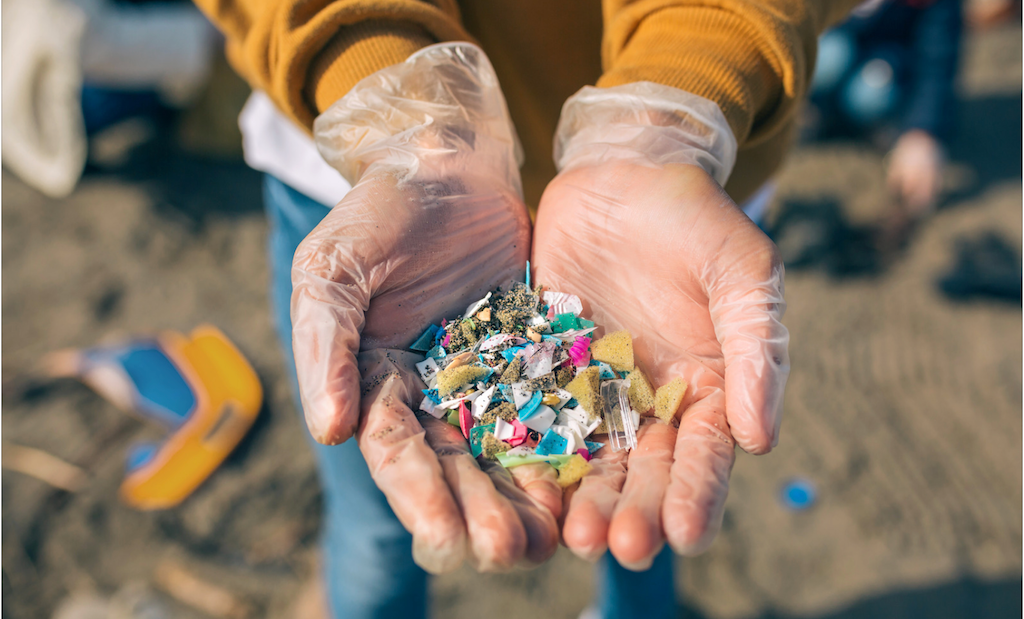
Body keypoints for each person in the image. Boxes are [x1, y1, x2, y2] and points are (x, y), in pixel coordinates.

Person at [191, 2, 861, 617]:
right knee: (374, 519)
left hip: (679, 180)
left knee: (641, 520)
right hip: (374, 172)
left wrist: (674, 108)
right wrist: (388, 102)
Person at [807, 0, 963, 220]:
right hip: (835, 44)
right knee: (828, 56)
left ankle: (854, 123)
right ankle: (814, 110)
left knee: (870, 93)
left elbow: (938, 60)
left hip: (886, 63)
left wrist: (922, 132)